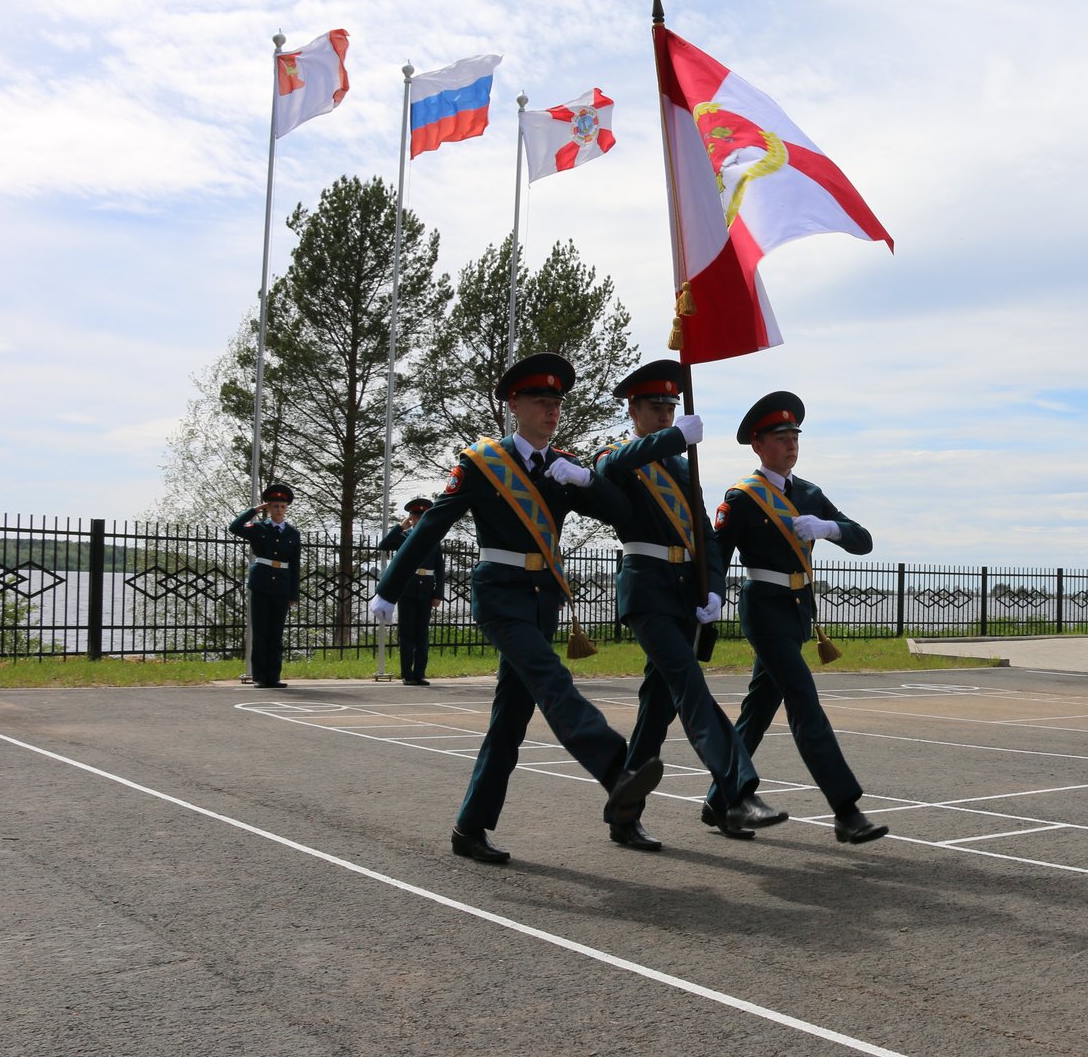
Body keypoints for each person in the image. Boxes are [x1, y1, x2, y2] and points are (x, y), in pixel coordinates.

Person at [369, 352, 660, 865]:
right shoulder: (483, 463)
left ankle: (470, 826)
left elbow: (622, 513)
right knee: (552, 678)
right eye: (541, 402)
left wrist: (587, 480)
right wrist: (389, 589)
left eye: (556, 403)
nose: (551, 411)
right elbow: (432, 525)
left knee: (511, 718)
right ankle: (616, 769)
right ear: (514, 405)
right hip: (500, 593)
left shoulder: (560, 466)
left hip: (542, 596)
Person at [593, 360, 786, 849]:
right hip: (646, 590)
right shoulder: (621, 454)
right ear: (633, 410)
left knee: (656, 708)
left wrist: (715, 587)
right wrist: (673, 438)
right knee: (689, 684)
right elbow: (610, 470)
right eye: (655, 408)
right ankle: (737, 789)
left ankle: (623, 811)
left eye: (669, 408)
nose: (663, 415)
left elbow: (705, 535)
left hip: (683, 592)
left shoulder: (682, 467)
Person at [705, 392, 889, 844]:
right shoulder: (743, 497)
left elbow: (863, 540)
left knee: (758, 710)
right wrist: (710, 594)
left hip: (798, 611)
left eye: (794, 436)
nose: (790, 445)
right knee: (804, 702)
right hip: (763, 609)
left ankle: (720, 803)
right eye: (780, 437)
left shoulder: (808, 493)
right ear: (758, 445)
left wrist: (829, 528)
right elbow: (716, 553)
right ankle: (846, 810)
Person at [230, 482, 301, 689]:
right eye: (274, 506)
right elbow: (234, 527)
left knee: (276, 634)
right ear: (268, 508)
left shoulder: (293, 533)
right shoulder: (258, 528)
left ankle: (274, 676)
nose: (279, 510)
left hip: (282, 585)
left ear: (286, 509)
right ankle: (260, 676)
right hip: (261, 583)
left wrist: (293, 594)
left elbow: (295, 565)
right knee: (261, 632)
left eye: (282, 506)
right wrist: (254, 510)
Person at [377, 496, 444, 687]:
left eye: (423, 516)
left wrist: (438, 593)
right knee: (406, 633)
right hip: (406, 589)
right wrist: (401, 527)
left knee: (422, 633)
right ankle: (407, 674)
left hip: (426, 592)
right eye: (415, 516)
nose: (419, 519)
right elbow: (384, 545)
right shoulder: (403, 537)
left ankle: (419, 673)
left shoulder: (433, 538)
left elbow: (439, 567)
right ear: (410, 517)